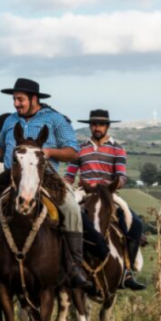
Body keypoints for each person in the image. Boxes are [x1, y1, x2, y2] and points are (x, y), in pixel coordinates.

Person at [0, 78, 92, 290]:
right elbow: (2, 149)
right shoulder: (9, 121)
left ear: (34, 98)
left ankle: (74, 266)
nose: (16, 104)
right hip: (11, 175)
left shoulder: (56, 119)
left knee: (71, 209)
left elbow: (73, 152)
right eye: (14, 99)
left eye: (20, 99)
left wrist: (49, 152)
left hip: (45, 176)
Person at [65, 109, 146, 290]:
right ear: (90, 126)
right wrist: (64, 184)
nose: (97, 127)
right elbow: (69, 176)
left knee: (136, 224)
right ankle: (67, 266)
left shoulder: (118, 149)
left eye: (101, 124)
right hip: (83, 193)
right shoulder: (79, 149)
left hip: (108, 194)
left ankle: (127, 270)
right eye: (94, 124)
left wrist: (111, 185)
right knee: (66, 217)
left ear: (107, 126)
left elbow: (122, 177)